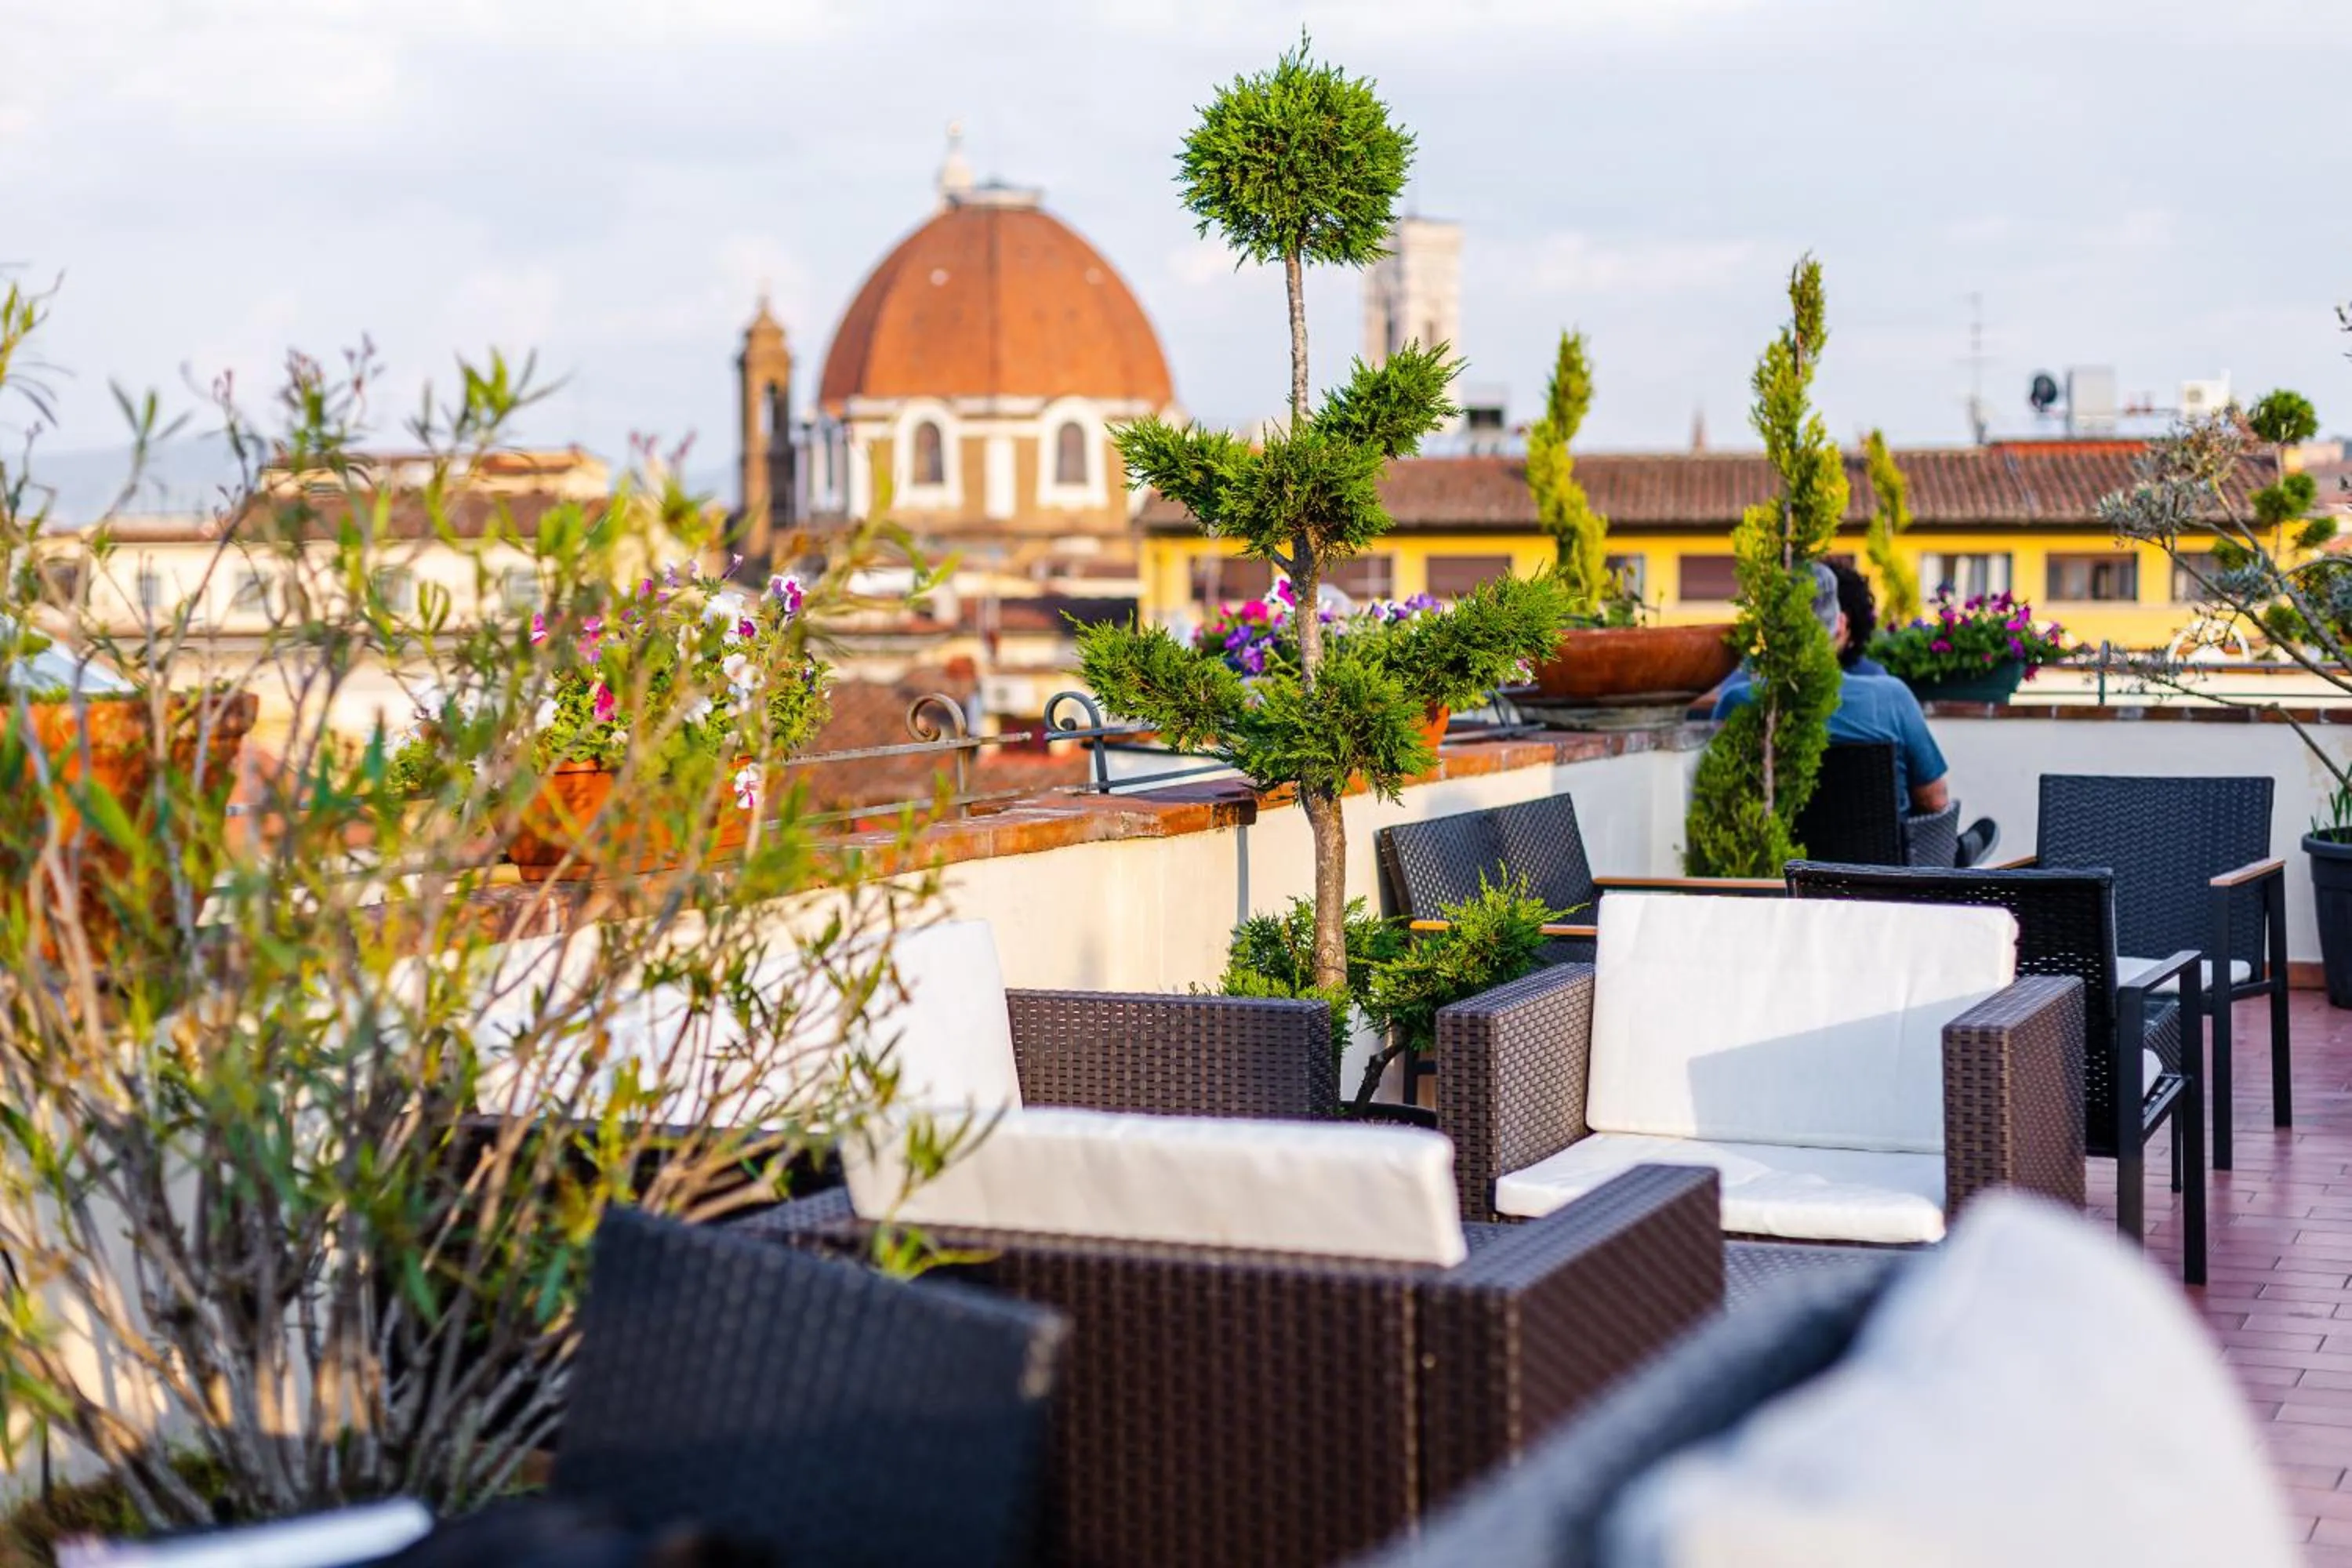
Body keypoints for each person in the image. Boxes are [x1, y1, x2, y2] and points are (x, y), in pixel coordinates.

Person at [1711, 561, 1997, 864]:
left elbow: (1722, 799)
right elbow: (1934, 800)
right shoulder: (1891, 697)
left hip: (1779, 876)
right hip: (1882, 881)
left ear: (1769, 634)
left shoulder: (1738, 703)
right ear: (1841, 626)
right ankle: (1958, 852)